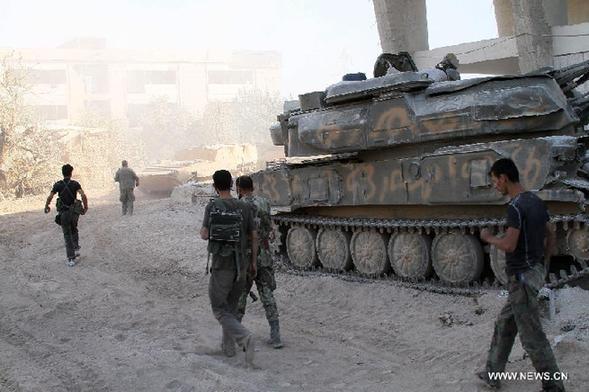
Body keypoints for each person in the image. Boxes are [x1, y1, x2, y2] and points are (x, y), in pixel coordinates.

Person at [477, 158, 564, 392]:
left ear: (504, 178)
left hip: (521, 279)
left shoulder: (515, 207)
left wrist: (489, 238)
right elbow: (551, 233)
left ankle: (554, 385)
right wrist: (543, 264)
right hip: (531, 273)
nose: (495, 186)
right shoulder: (535, 200)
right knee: (505, 325)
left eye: (495, 181)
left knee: (532, 336)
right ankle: (492, 374)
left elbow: (510, 245)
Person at [200, 170, 258, 365]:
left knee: (218, 307)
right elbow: (254, 236)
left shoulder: (212, 206)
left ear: (215, 186)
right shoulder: (244, 206)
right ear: (232, 184)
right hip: (241, 265)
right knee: (231, 309)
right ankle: (229, 348)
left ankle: (244, 337)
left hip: (221, 265)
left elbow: (204, 234)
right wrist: (253, 263)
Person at [235, 175, 283, 349]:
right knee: (267, 294)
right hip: (264, 255)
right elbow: (269, 228)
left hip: (246, 256)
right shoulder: (264, 202)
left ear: (239, 189)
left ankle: (237, 335)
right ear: (253, 187)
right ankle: (276, 334)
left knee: (240, 296)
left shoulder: (239, 206)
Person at [44, 164, 88, 267]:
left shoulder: (58, 185)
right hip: (74, 213)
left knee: (67, 234)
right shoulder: (75, 184)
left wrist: (46, 206)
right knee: (74, 229)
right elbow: (83, 195)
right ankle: (76, 248)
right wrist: (85, 207)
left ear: (62, 173)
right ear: (71, 173)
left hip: (63, 213)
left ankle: (71, 258)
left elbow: (50, 196)